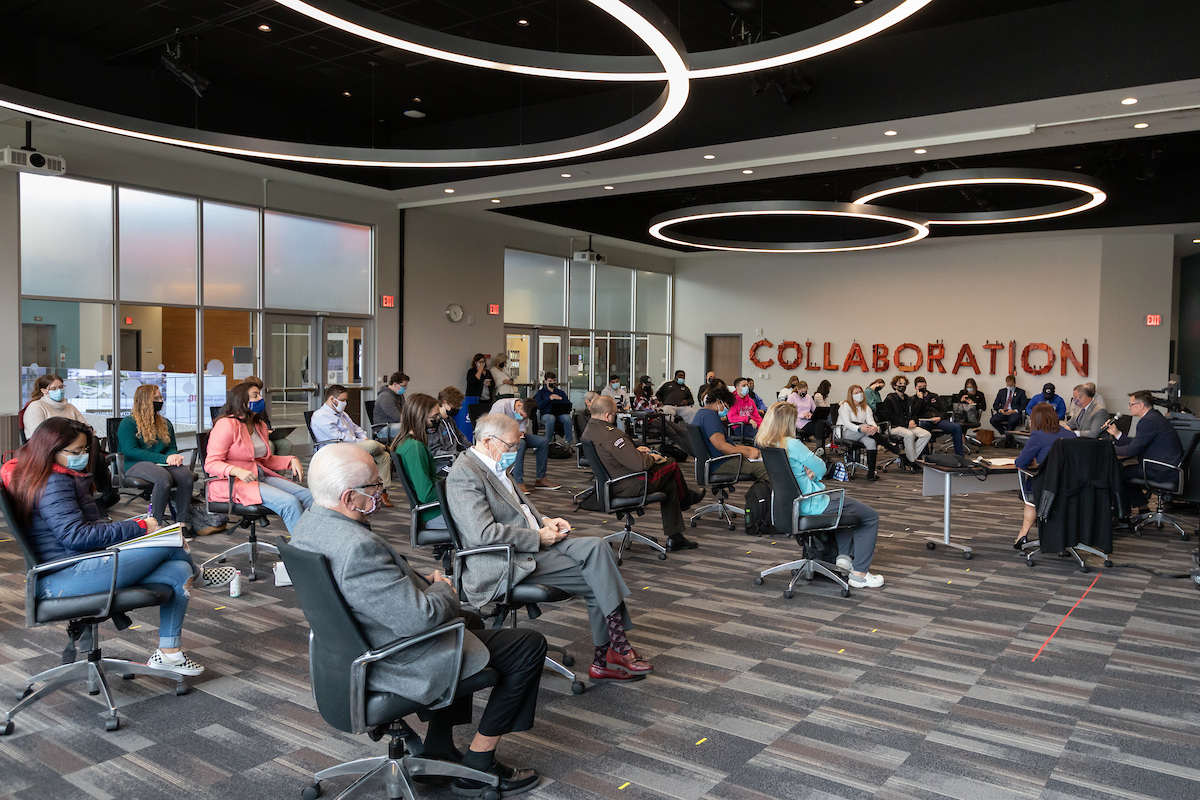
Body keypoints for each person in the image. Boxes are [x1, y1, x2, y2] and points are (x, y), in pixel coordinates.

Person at [291, 444, 544, 797]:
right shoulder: (356, 547)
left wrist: (425, 590)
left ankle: (439, 745)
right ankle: (479, 764)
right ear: (350, 497)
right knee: (528, 645)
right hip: (393, 659)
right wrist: (442, 590)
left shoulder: (308, 525)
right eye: (375, 487)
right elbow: (420, 619)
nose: (382, 493)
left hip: (345, 653)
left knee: (468, 620)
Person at [2, 418, 235, 677]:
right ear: (50, 450)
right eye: (76, 452)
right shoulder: (54, 483)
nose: (84, 457)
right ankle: (199, 575)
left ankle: (170, 654)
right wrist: (140, 528)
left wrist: (135, 525)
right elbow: (76, 536)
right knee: (170, 543)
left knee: (179, 570)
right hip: (63, 577)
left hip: (78, 564)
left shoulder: (51, 476)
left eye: (85, 450)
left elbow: (81, 530)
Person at [445, 413, 653, 684]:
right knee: (596, 578)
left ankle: (612, 651)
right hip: (504, 560)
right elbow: (483, 535)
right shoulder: (465, 474)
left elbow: (517, 510)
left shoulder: (494, 463)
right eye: (511, 446)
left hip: (531, 543)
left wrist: (545, 520)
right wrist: (538, 537)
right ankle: (609, 654)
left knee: (598, 546)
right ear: (487, 441)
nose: (515, 453)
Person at [755, 403, 884, 588]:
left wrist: (806, 471)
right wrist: (812, 469)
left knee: (845, 508)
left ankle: (844, 558)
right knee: (870, 516)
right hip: (812, 503)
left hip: (788, 506)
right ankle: (859, 575)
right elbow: (822, 468)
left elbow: (791, 473)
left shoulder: (767, 443)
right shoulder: (792, 443)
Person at [583, 396, 704, 552]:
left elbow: (613, 455)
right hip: (630, 484)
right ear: (607, 416)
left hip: (612, 483)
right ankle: (686, 499)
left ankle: (676, 537)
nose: (615, 417)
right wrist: (651, 457)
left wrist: (633, 451)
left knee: (670, 485)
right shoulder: (611, 434)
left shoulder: (589, 430)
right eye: (615, 414)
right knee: (671, 463)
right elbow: (640, 465)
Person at [207, 382, 312, 532]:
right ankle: (302, 550)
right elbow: (211, 463)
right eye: (255, 395)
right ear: (241, 400)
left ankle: (313, 541)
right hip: (233, 483)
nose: (261, 398)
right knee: (290, 503)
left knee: (308, 496)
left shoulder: (259, 425)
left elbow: (265, 460)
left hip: (258, 476)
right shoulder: (226, 424)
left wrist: (291, 460)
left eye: (259, 394)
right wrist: (237, 471)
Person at [117, 384, 207, 537]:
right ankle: (155, 525)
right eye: (156, 398)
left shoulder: (165, 423)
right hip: (134, 463)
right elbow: (130, 451)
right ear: (144, 401)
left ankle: (181, 523)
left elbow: (171, 446)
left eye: (161, 397)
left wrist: (174, 457)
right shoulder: (128, 423)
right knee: (163, 478)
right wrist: (165, 458)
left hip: (160, 463)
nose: (160, 401)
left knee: (185, 476)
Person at [312, 384, 394, 507]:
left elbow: (355, 428)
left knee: (384, 457)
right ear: (332, 399)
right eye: (342, 400)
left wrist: (363, 437)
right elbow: (338, 437)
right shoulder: (321, 416)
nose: (345, 403)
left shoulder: (342, 414)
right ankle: (386, 446)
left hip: (352, 445)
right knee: (372, 445)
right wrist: (360, 442)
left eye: (346, 400)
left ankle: (381, 491)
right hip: (338, 448)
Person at [1105, 390, 1184, 516]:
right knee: (1125, 471)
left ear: (1141, 405)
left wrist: (1106, 448)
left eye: (1131, 404)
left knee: (1118, 473)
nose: (1128, 407)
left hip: (1161, 470)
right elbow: (1138, 443)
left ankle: (1123, 514)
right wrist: (1117, 434)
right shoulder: (1154, 417)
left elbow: (1132, 450)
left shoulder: (1148, 421)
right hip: (1165, 467)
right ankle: (1142, 509)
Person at [1013, 403, 1079, 548]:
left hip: (1048, 485)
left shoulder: (1038, 435)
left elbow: (1020, 463)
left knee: (1031, 489)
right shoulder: (1071, 434)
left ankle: (1023, 534)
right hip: (1071, 486)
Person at [391, 393, 448, 530]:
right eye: (434, 417)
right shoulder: (415, 448)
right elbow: (426, 495)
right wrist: (453, 489)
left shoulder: (405, 442)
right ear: (420, 418)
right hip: (435, 513)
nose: (437, 420)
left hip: (433, 511)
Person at [692, 386, 770, 482]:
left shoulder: (701, 413)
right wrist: (748, 453)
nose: (727, 410)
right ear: (718, 401)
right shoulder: (711, 417)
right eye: (726, 406)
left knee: (759, 462)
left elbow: (725, 444)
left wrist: (749, 449)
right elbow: (722, 446)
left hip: (716, 460)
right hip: (720, 463)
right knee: (766, 469)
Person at [490, 396, 560, 494]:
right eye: (521, 415)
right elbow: (492, 426)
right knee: (521, 444)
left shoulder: (525, 410)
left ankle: (541, 478)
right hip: (499, 436)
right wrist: (512, 435)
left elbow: (522, 426)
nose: (522, 418)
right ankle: (518, 481)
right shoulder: (501, 406)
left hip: (515, 436)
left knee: (543, 442)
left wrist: (521, 432)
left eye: (524, 417)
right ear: (519, 405)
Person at [835, 385, 902, 482]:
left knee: (871, 442)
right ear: (851, 395)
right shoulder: (845, 406)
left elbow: (871, 422)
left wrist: (874, 427)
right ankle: (890, 447)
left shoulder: (866, 407)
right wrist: (860, 429)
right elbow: (847, 423)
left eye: (860, 392)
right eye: (856, 393)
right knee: (868, 431)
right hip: (846, 432)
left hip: (863, 433)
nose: (859, 394)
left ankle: (871, 473)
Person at [878, 375, 932, 469]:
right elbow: (890, 417)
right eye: (900, 384)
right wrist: (907, 423)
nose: (902, 386)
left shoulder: (908, 399)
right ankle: (912, 460)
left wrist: (912, 421)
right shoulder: (889, 399)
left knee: (926, 434)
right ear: (894, 386)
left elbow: (913, 413)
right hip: (894, 427)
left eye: (904, 384)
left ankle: (909, 458)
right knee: (909, 435)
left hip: (907, 425)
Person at [23, 374, 87, 440]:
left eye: (61, 387)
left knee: (94, 440)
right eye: (54, 389)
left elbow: (86, 428)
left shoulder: (70, 407)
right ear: (43, 390)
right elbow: (37, 434)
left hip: (71, 443)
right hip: (48, 444)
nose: (59, 391)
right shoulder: (36, 406)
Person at [240, 376, 292, 456]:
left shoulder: (259, 406)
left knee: (286, 444)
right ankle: (266, 467)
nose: (260, 397)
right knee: (269, 445)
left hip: (264, 435)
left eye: (259, 392)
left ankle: (277, 467)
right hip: (251, 437)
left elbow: (266, 421)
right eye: (255, 394)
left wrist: (269, 430)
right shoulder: (235, 409)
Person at [913, 377, 965, 456]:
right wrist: (920, 399)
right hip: (925, 421)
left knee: (956, 427)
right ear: (915, 388)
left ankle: (960, 456)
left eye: (924, 387)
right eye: (920, 387)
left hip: (938, 420)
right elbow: (915, 412)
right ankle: (925, 455)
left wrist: (939, 417)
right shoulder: (913, 399)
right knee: (922, 426)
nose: (922, 389)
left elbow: (943, 410)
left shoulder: (934, 396)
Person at [428, 386, 471, 473]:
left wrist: (472, 449)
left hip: (454, 459)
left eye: (459, 406)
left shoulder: (450, 420)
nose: (457, 408)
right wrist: (456, 454)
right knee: (466, 473)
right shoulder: (434, 423)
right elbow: (435, 450)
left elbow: (460, 437)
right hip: (442, 464)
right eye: (455, 405)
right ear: (444, 403)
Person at [533, 372, 575, 444]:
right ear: (545, 381)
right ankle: (548, 442)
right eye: (550, 381)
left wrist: (560, 398)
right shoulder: (541, 393)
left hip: (559, 414)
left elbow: (568, 403)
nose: (552, 382)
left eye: (554, 381)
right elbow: (538, 405)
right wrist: (549, 399)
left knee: (567, 418)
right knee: (551, 418)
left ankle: (568, 442)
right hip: (546, 414)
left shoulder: (560, 392)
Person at [460, 353, 493, 442]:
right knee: (476, 419)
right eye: (480, 362)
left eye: (483, 362)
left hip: (486, 399)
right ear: (475, 362)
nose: (482, 364)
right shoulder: (471, 372)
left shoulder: (488, 372)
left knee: (487, 419)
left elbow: (493, 384)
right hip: (475, 399)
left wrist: (489, 383)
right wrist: (479, 370)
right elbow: (474, 381)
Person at [786, 380, 826, 445]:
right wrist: (802, 415)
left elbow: (815, 409)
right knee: (820, 430)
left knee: (820, 422)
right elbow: (788, 412)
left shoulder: (808, 397)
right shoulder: (792, 397)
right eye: (802, 391)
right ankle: (820, 448)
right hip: (798, 420)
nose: (804, 393)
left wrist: (811, 415)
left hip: (808, 419)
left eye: (805, 391)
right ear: (798, 389)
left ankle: (820, 448)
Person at [373, 371, 409, 441]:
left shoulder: (399, 395)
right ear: (395, 384)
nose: (404, 389)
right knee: (412, 428)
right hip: (383, 429)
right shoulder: (385, 397)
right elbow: (397, 417)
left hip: (394, 425)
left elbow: (405, 411)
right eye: (403, 386)